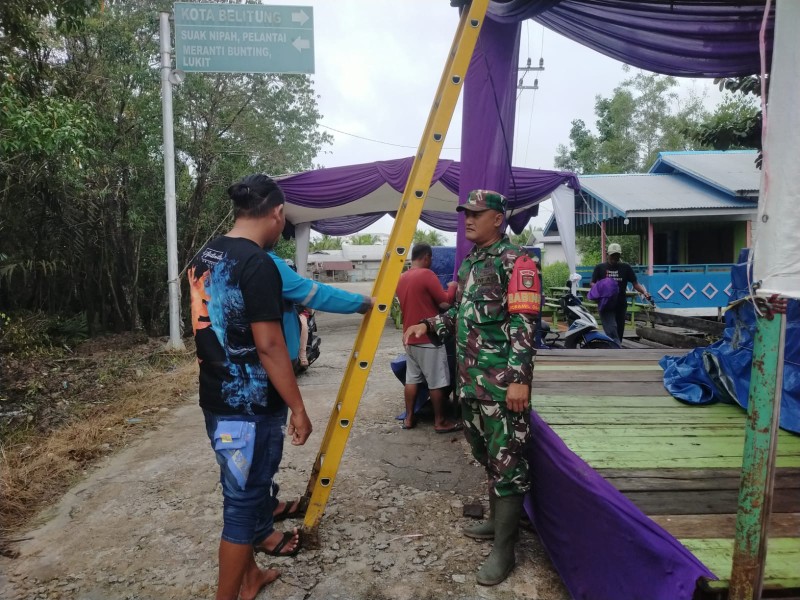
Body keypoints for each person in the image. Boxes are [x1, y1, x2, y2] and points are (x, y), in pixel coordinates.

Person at [403, 190, 538, 586]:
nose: (468, 219)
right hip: (471, 385)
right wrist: (427, 325)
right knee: (485, 454)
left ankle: (505, 550)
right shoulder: (471, 264)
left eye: (477, 214)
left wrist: (518, 381)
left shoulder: (518, 262)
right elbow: (457, 315)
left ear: (498, 218)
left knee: (509, 465)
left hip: (502, 387)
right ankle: (496, 522)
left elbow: (524, 327)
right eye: (466, 213)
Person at [188, 174, 312, 600]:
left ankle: (252, 575)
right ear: (277, 214)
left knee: (239, 489)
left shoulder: (207, 253)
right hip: (249, 409)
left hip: (215, 401)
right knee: (241, 509)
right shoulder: (258, 264)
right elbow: (270, 344)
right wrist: (297, 407)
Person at [265, 250, 374, 521]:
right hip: (270, 365)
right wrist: (363, 302)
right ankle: (259, 520)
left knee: (262, 439)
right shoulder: (265, 262)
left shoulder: (220, 256)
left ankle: (266, 503)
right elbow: (311, 292)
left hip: (245, 368)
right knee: (264, 440)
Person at [396, 242, 460, 432]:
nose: (431, 262)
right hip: (428, 338)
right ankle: (440, 422)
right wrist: (453, 288)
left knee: (412, 379)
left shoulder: (401, 277)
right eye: (431, 258)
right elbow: (445, 303)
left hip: (409, 338)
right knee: (437, 381)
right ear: (426, 257)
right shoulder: (426, 274)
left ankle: (409, 419)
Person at [590, 242, 652, 344]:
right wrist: (600, 287)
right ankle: (615, 349)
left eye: (617, 255)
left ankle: (616, 350)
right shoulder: (599, 267)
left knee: (619, 330)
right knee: (612, 328)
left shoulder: (625, 268)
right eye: (613, 255)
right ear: (608, 254)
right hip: (606, 304)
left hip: (620, 304)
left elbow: (635, 284)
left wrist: (645, 292)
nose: (615, 258)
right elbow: (592, 283)